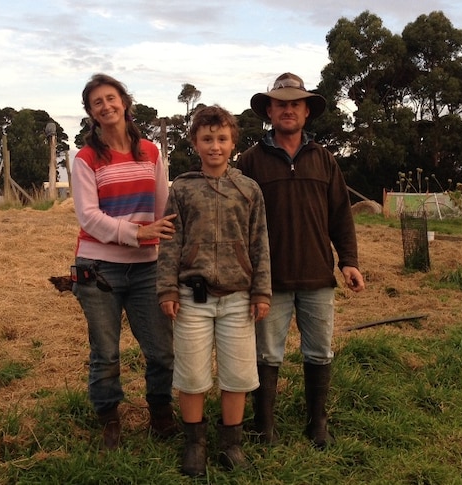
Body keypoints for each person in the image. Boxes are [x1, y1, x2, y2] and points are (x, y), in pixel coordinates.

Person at [236, 72, 366, 450]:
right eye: (281, 104)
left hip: (317, 278)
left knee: (320, 351)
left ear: (307, 111)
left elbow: (341, 215)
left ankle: (317, 424)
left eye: (295, 103)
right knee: (266, 355)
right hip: (267, 282)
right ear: (270, 112)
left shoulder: (324, 160)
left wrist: (349, 261)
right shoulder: (249, 161)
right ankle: (264, 428)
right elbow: (237, 221)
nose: (288, 110)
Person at [157, 105, 271, 477]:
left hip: (238, 299)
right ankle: (195, 444)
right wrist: (168, 290)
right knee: (191, 373)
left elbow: (259, 244)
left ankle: (230, 444)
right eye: (207, 139)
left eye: (222, 139)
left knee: (237, 374)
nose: (215, 146)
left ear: (233, 142)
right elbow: (171, 244)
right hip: (193, 298)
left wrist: (261, 292)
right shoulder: (183, 189)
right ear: (195, 142)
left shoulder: (249, 189)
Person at [71, 73, 179, 450]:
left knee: (162, 350)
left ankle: (161, 415)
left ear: (124, 102)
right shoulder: (85, 158)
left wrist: (166, 248)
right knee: (106, 353)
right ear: (91, 113)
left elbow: (165, 208)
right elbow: (88, 217)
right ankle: (109, 421)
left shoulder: (150, 151)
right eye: (97, 102)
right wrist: (137, 234)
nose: (106, 105)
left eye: (111, 98)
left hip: (149, 267)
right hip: (99, 268)